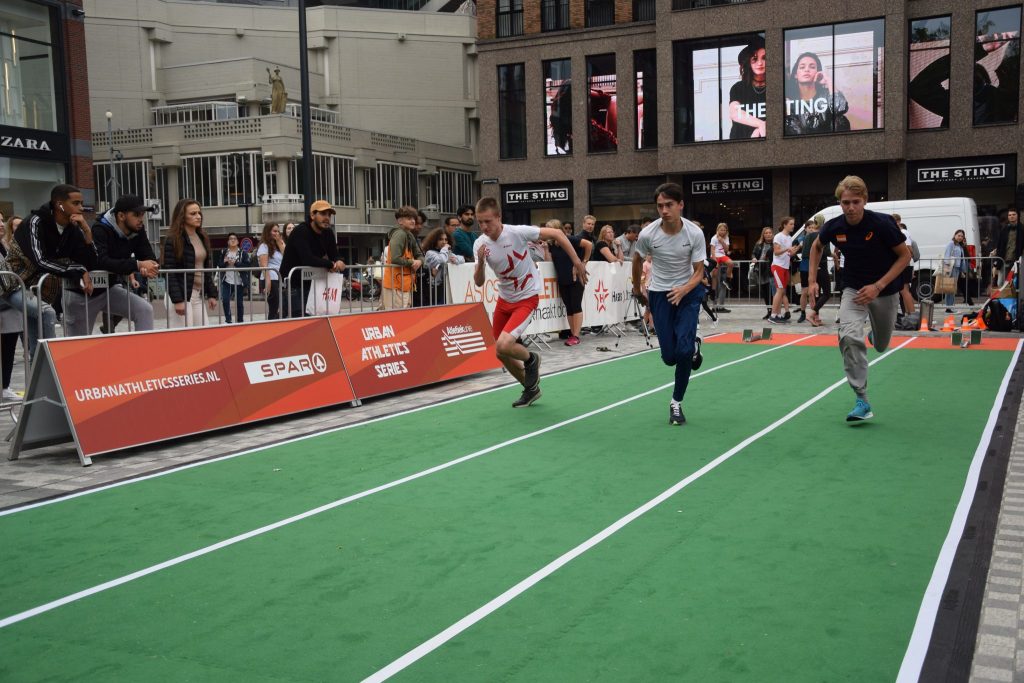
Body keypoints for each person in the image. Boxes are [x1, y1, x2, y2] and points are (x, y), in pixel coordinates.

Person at [808, 175, 911, 422]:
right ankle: (862, 399)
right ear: (840, 203)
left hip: (884, 290)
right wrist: (811, 281)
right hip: (853, 288)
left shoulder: (883, 224)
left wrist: (878, 285)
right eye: (845, 202)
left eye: (855, 201)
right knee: (849, 336)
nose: (851, 207)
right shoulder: (834, 226)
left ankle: (876, 333)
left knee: (882, 345)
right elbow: (816, 247)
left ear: (864, 200)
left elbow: (905, 256)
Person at [473, 197, 587, 408]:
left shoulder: (516, 232)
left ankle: (532, 359)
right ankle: (530, 388)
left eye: (488, 221)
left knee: (504, 344)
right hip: (505, 299)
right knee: (501, 352)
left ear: (499, 217)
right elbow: (478, 282)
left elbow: (557, 234)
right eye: (480, 222)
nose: (484, 227)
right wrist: (480, 263)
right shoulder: (480, 244)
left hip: (527, 297)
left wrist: (577, 262)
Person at [631, 182, 706, 426]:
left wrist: (684, 289)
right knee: (669, 357)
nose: (664, 210)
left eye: (669, 205)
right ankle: (692, 345)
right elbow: (636, 258)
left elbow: (699, 272)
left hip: (688, 292)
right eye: (660, 206)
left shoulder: (694, 233)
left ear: (681, 205)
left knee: (683, 352)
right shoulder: (648, 234)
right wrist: (637, 288)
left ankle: (676, 403)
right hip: (659, 294)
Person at [5, 184, 95, 354]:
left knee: (36, 348)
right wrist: (78, 269)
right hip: (14, 284)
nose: (81, 208)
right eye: (75, 203)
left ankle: (38, 377)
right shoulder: (35, 222)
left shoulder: (72, 228)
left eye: (81, 203)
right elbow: (41, 260)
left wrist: (87, 232)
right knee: (46, 313)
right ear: (59, 204)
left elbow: (90, 262)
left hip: (39, 290)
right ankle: (53, 365)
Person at [64, 195, 158, 336]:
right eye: (137, 215)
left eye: (143, 214)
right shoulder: (99, 229)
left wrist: (149, 266)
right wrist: (138, 265)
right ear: (121, 216)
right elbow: (102, 261)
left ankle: (142, 356)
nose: (141, 219)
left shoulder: (137, 230)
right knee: (78, 344)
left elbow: (149, 257)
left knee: (144, 310)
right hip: (82, 292)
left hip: (108, 289)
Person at [279, 200, 346, 318]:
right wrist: (330, 264)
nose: (327, 218)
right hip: (294, 285)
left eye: (329, 215)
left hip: (313, 285)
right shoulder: (301, 231)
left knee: (314, 322)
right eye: (323, 214)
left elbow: (334, 254)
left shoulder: (328, 232)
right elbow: (307, 259)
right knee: (297, 324)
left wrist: (339, 260)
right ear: (312, 215)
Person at [163, 199, 217, 327]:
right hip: (181, 295)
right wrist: (178, 300)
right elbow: (170, 271)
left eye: (199, 213)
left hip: (197, 295)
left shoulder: (202, 236)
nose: (198, 216)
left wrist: (212, 294)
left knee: (203, 335)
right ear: (182, 216)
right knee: (183, 340)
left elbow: (205, 268)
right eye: (193, 214)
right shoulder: (173, 239)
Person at [548, 219, 592, 347]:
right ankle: (572, 334)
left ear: (556, 229)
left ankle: (576, 335)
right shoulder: (551, 244)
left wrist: (583, 263)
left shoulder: (569, 239)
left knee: (576, 305)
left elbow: (588, 245)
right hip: (562, 279)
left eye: (549, 228)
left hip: (575, 278)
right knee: (569, 307)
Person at [784, 52, 850, 135]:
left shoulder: (826, 94)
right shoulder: (790, 100)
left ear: (818, 73)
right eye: (802, 67)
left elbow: (841, 108)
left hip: (828, 142)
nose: (807, 70)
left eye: (812, 67)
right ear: (795, 75)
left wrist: (829, 81)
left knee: (841, 119)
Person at [0, 215, 24, 401]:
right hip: (5, 303)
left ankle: (5, 386)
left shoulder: (6, 246)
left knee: (8, 347)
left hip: (9, 306)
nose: (1, 225)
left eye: (1, 220)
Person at [380, 205, 423, 310]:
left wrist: (420, 261)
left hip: (403, 284)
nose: (413, 221)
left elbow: (420, 255)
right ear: (400, 221)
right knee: (396, 317)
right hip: (395, 285)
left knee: (401, 316)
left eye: (414, 218)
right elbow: (395, 258)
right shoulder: (400, 234)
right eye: (409, 218)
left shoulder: (408, 234)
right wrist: (413, 262)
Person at [729, 36, 767, 139]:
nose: (760, 63)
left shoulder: (776, 86)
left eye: (764, 58)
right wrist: (761, 124)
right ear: (748, 62)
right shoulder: (739, 87)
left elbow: (787, 111)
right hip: (740, 141)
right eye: (754, 59)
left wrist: (759, 130)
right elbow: (734, 113)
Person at [802, 214, 832, 327]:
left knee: (816, 293)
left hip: (811, 267)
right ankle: (812, 314)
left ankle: (816, 317)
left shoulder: (808, 236)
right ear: (823, 222)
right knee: (827, 293)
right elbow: (827, 252)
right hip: (822, 266)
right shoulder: (823, 235)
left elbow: (805, 254)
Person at [422, 227, 464, 306]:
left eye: (446, 239)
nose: (444, 242)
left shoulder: (445, 252)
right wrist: (445, 249)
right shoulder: (430, 253)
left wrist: (455, 260)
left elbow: (462, 259)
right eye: (441, 239)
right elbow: (441, 259)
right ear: (435, 240)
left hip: (445, 287)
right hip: (432, 289)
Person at [768, 216, 798, 324]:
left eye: (793, 224)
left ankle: (779, 315)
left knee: (782, 291)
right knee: (779, 291)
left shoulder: (789, 238)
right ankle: (772, 316)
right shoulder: (778, 236)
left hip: (785, 267)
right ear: (784, 225)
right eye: (791, 224)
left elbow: (789, 254)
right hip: (777, 266)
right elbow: (776, 252)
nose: (793, 226)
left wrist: (794, 250)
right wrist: (787, 249)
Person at [217, 232, 250, 323]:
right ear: (228, 241)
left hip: (239, 282)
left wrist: (236, 263)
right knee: (225, 300)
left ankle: (240, 321)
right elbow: (219, 265)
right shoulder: (224, 252)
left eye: (234, 238)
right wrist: (225, 262)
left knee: (239, 303)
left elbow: (247, 267)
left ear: (238, 241)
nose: (232, 240)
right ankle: (228, 320)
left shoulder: (243, 253)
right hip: (227, 281)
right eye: (230, 239)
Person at [257, 221, 284, 320]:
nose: (276, 233)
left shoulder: (278, 245)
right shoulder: (264, 246)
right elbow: (264, 266)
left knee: (281, 306)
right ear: (268, 232)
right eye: (274, 231)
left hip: (279, 278)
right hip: (271, 278)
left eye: (278, 231)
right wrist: (268, 282)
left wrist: (280, 243)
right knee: (274, 307)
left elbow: (287, 258)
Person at [943, 229, 972, 311]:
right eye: (958, 235)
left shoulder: (959, 245)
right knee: (950, 289)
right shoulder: (951, 244)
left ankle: (950, 307)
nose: (960, 237)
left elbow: (963, 258)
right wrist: (947, 268)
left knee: (952, 289)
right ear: (955, 235)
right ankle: (949, 307)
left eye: (962, 236)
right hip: (951, 268)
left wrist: (962, 270)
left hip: (957, 268)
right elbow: (947, 255)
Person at [709, 222, 733, 313]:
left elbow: (726, 250)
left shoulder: (726, 238)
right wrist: (715, 260)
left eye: (724, 230)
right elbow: (712, 250)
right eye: (721, 230)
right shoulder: (714, 238)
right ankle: (713, 291)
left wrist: (722, 241)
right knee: (714, 275)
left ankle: (727, 279)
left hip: (722, 255)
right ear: (718, 230)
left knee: (731, 263)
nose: (722, 231)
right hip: (715, 256)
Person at [751, 226, 774, 320]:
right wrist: (754, 258)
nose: (768, 234)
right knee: (765, 292)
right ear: (763, 235)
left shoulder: (775, 244)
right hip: (761, 269)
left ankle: (774, 311)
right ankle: (769, 311)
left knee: (771, 291)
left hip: (771, 269)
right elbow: (753, 254)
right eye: (766, 233)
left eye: (769, 233)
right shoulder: (759, 244)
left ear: (772, 234)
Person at [994, 208, 1022, 284]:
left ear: (1017, 216)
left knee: (1015, 283)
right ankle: (1002, 296)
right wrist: (996, 262)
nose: (1011, 216)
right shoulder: (1004, 229)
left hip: (1017, 261)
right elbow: (999, 246)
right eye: (1009, 215)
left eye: (1013, 214)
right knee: (1000, 283)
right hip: (1004, 260)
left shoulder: (1022, 229)